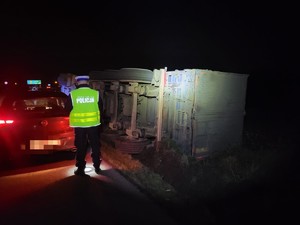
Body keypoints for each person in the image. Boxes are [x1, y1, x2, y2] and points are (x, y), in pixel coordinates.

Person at [65, 75, 104, 176]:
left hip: (79, 125)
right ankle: (97, 166)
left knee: (81, 146)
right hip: (93, 125)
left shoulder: (73, 94)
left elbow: (67, 108)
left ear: (77, 83)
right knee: (95, 145)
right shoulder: (95, 94)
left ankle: (81, 168)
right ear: (88, 83)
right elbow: (101, 108)